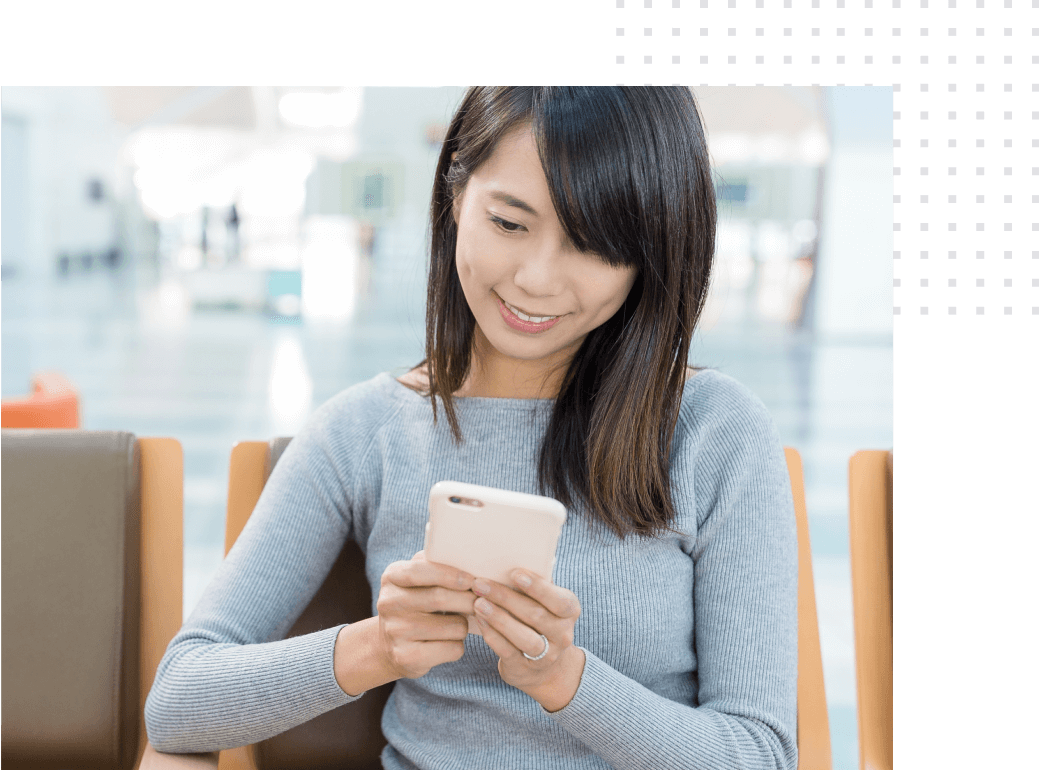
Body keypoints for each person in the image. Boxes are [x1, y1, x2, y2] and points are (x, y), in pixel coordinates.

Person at [145, 87, 799, 770]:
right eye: (509, 224)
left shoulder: (713, 433)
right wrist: (377, 647)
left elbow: (758, 754)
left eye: (594, 245)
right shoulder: (365, 432)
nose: (536, 279)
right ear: (457, 197)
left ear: (651, 254)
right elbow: (179, 700)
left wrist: (566, 683)